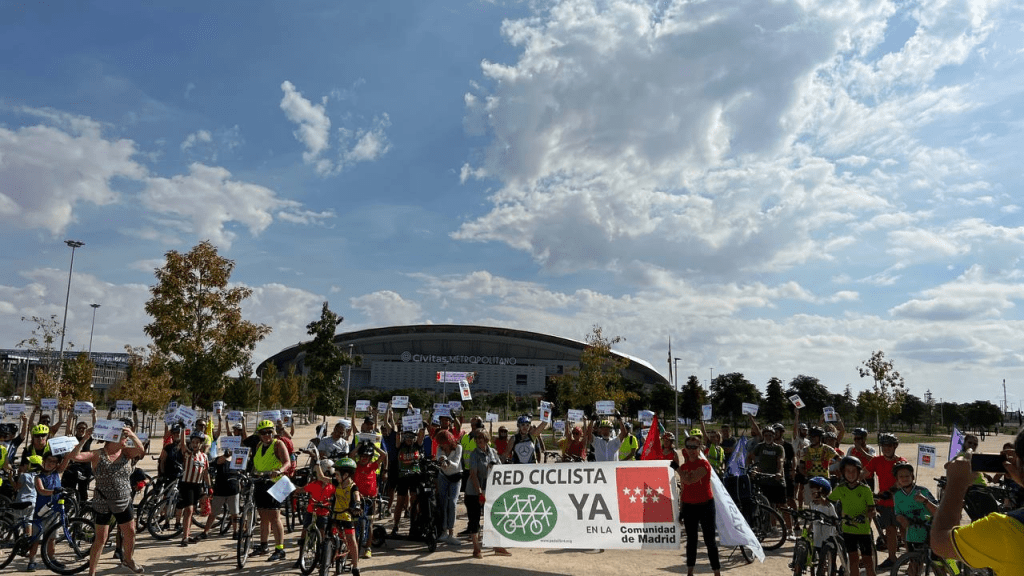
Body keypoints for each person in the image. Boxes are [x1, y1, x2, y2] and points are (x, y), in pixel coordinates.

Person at [931, 428, 1024, 575]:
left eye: (975, 443)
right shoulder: (963, 457)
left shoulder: (1003, 529)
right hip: (976, 490)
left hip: (975, 488)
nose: (972, 445)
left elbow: (939, 541)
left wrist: (955, 484)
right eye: (970, 442)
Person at [71, 424, 147, 576]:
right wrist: (85, 438)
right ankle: (92, 572)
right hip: (103, 502)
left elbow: (141, 451)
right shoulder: (98, 454)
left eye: (126, 437)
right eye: (123, 437)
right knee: (101, 539)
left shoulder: (126, 453)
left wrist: (132, 435)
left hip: (123, 500)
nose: (125, 439)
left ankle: (128, 559)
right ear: (113, 438)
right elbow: (75, 456)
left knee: (131, 532)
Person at [677, 434, 720, 576]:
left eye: (694, 447)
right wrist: (682, 510)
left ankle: (716, 572)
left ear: (700, 448)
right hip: (689, 506)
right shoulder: (684, 466)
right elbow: (684, 488)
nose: (691, 450)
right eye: (688, 447)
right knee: (691, 540)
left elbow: (691, 480)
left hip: (705, 506)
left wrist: (676, 469)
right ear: (685, 449)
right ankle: (690, 572)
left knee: (709, 540)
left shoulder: (704, 464)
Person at [863, 433, 906, 570]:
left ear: (895, 446)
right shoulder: (877, 461)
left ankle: (911, 559)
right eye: (884, 446)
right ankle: (892, 558)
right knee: (890, 531)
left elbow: (904, 480)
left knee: (905, 532)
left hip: (900, 502)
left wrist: (891, 491)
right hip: (885, 503)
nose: (886, 448)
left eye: (889, 446)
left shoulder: (901, 462)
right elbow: (863, 473)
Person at [250, 419, 291, 561]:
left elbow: (287, 462)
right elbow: (256, 464)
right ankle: (264, 545)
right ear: (259, 434)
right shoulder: (259, 445)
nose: (267, 435)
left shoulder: (278, 444)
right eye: (263, 432)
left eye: (269, 432)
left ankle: (280, 549)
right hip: (261, 482)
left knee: (275, 517)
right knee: (263, 517)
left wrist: (279, 470)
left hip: (277, 483)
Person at [828, 456, 876, 576]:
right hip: (848, 530)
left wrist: (865, 515)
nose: (851, 474)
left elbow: (872, 510)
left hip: (863, 531)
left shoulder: (865, 490)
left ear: (859, 472)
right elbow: (828, 500)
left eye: (854, 471)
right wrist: (818, 496)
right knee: (853, 560)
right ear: (843, 472)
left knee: (868, 562)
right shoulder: (840, 488)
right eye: (847, 471)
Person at [466, 430, 510, 558]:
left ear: (486, 439)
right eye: (477, 438)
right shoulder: (474, 454)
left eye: (481, 438)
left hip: (490, 490)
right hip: (474, 491)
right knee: (474, 519)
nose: (479, 440)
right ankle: (476, 548)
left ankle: (497, 545)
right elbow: (473, 475)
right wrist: (479, 492)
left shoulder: (493, 452)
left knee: (494, 517)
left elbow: (500, 469)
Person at [26, 452, 72, 571]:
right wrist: (55, 492)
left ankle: (52, 559)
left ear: (57, 464)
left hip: (54, 511)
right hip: (40, 511)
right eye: (49, 461)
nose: (51, 464)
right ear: (43, 462)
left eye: (54, 462)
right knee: (36, 539)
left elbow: (67, 459)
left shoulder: (58, 473)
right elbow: (41, 490)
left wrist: (69, 451)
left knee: (52, 538)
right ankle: (32, 561)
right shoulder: (38, 477)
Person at [891, 462, 938, 557]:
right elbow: (898, 513)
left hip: (929, 531)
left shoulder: (923, 491)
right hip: (912, 534)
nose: (904, 479)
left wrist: (925, 501)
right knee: (914, 563)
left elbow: (938, 511)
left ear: (913, 477)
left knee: (938, 562)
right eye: (901, 476)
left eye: (907, 476)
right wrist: (900, 518)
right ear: (897, 479)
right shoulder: (897, 495)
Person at [200, 441, 242, 540]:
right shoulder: (219, 459)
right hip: (220, 489)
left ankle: (235, 532)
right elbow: (219, 461)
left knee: (235, 513)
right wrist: (227, 454)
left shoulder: (236, 459)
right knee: (213, 513)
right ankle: (205, 531)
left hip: (233, 488)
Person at [177, 430, 212, 547]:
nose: (195, 444)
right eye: (193, 442)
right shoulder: (188, 454)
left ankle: (188, 533)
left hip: (197, 485)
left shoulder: (204, 457)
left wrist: (210, 486)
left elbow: (206, 473)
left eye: (197, 442)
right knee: (189, 510)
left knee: (192, 511)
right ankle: (185, 537)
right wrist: (182, 430)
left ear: (201, 444)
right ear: (190, 443)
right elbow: (182, 445)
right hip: (187, 484)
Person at [390, 426, 425, 536]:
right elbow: (397, 437)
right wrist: (400, 429)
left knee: (414, 503)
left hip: (415, 476)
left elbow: (422, 435)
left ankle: (413, 526)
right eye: (407, 437)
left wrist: (421, 425)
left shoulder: (417, 446)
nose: (409, 440)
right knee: (400, 502)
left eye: (411, 438)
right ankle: (395, 525)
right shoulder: (400, 446)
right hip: (403, 477)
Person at [353, 441, 386, 557]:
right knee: (356, 524)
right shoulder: (355, 465)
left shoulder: (372, 465)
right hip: (358, 498)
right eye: (362, 456)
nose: (363, 458)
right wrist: (359, 446)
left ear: (370, 458)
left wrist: (374, 447)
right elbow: (351, 455)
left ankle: (368, 548)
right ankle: (354, 548)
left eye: (366, 457)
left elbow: (384, 455)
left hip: (371, 498)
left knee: (370, 523)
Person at [331, 457, 362, 576]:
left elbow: (356, 496)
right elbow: (322, 477)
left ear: (346, 474)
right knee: (330, 536)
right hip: (335, 515)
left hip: (346, 515)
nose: (335, 476)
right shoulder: (337, 483)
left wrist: (358, 505)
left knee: (351, 540)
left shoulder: (353, 487)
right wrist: (317, 460)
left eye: (338, 474)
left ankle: (355, 566)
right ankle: (328, 556)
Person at [434, 430, 463, 546]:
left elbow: (456, 463)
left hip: (456, 477)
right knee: (443, 503)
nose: (442, 445)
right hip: (443, 476)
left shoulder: (458, 448)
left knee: (452, 503)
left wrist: (447, 462)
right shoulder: (440, 449)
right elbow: (437, 459)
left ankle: (451, 533)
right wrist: (441, 460)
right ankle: (444, 531)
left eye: (444, 442)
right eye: (440, 443)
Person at [14, 454, 41, 571]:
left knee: (17, 523)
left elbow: (16, 487)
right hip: (32, 502)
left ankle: (17, 540)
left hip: (20, 501)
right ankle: (27, 540)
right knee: (28, 522)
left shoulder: (24, 476)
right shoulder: (38, 477)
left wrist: (11, 478)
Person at [806, 476, 839, 559]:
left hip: (828, 537)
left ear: (822, 492)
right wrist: (808, 530)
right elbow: (812, 520)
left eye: (813, 491)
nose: (811, 493)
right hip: (817, 538)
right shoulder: (812, 504)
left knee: (829, 557)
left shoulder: (828, 506)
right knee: (817, 556)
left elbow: (835, 519)